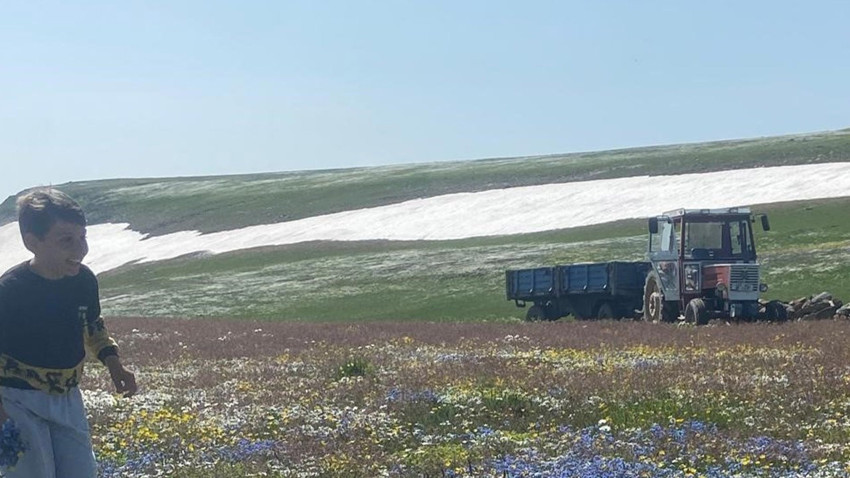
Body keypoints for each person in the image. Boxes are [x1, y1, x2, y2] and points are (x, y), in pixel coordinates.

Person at [0, 188, 137, 477]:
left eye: (82, 237)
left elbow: (94, 326)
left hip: (67, 398)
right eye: (66, 241)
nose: (80, 249)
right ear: (32, 242)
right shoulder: (10, 291)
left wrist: (115, 366)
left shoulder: (84, 281)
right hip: (16, 400)